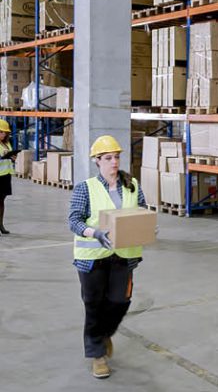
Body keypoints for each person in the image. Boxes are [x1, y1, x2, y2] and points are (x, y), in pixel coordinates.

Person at [68, 135, 147, 379]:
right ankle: (98, 356)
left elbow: (142, 209)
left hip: (124, 256)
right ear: (97, 161)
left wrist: (146, 225)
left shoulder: (131, 184)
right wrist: (95, 233)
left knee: (119, 303)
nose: (114, 162)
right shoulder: (85, 188)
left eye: (117, 157)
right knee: (93, 306)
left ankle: (103, 335)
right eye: (108, 158)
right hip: (92, 258)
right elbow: (74, 220)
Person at [0, 119, 15, 235]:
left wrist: (12, 157)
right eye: (1, 132)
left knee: (1, 201)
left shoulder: (7, 143)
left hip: (6, 176)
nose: (3, 134)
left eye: (5, 132)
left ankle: (1, 225)